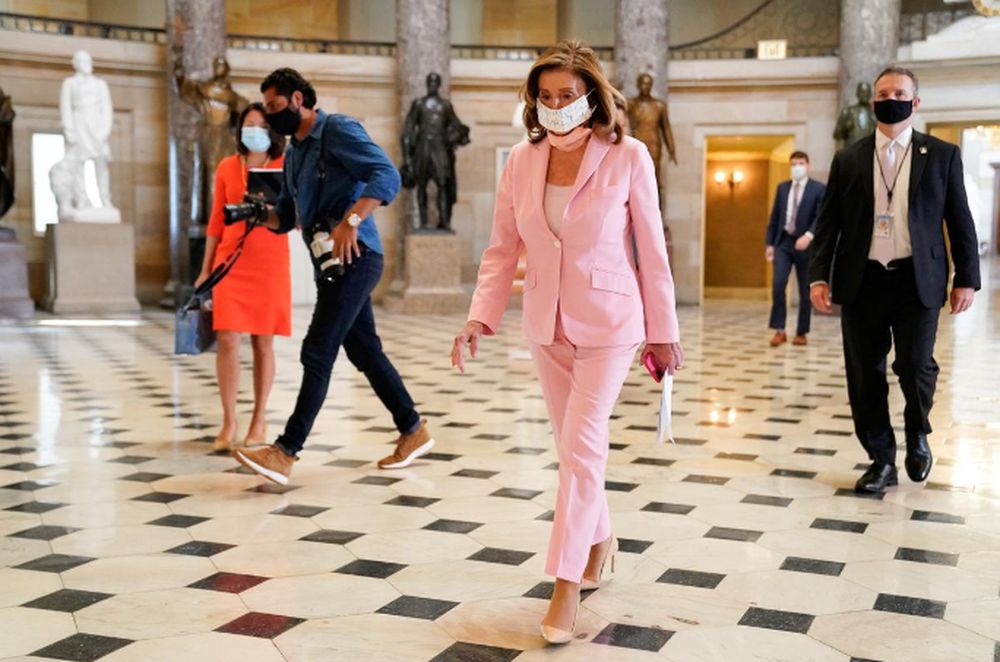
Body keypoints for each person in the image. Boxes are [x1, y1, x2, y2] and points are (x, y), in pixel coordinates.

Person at [451, 41, 682, 645]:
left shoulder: (627, 155)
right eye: (546, 96)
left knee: (581, 449)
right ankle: (601, 539)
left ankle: (566, 584)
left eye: (568, 96)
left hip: (610, 322)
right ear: (534, 101)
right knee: (573, 451)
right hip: (545, 324)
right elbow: (503, 246)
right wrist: (480, 316)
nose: (556, 106)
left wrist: (664, 332)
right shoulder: (521, 162)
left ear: (591, 98)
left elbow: (652, 252)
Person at [233, 68, 433, 485]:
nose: (270, 117)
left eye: (275, 107)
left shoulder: (337, 129)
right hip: (330, 263)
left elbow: (387, 175)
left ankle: (285, 452)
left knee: (317, 350)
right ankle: (413, 429)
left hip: (357, 255)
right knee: (365, 352)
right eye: (266, 109)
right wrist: (259, 214)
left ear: (299, 100)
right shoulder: (294, 154)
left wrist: (352, 220)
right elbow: (287, 216)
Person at [809, 66, 980, 495]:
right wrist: (817, 276)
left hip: (916, 280)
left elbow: (960, 221)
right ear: (873, 103)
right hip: (862, 279)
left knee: (915, 366)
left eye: (899, 92)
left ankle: (918, 433)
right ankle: (881, 459)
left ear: (915, 102)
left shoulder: (941, 155)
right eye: (883, 93)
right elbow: (828, 223)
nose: (891, 98)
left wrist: (966, 279)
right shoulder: (848, 159)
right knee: (865, 374)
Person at [195, 102, 289, 452]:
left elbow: (296, 215)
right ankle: (229, 419)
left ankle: (259, 418)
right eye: (248, 124)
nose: (254, 131)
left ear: (272, 132)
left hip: (270, 261)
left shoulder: (284, 165)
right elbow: (216, 222)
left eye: (261, 125)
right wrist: (205, 270)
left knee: (263, 343)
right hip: (230, 262)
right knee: (227, 339)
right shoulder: (226, 167)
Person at [764, 151, 826, 347]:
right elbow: (775, 218)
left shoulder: (818, 189)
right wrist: (770, 244)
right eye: (793, 164)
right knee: (778, 284)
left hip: (806, 245)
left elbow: (821, 216)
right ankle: (779, 330)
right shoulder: (782, 188)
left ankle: (801, 332)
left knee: (805, 289)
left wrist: (809, 236)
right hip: (783, 243)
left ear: (808, 165)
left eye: (800, 163)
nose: (796, 167)